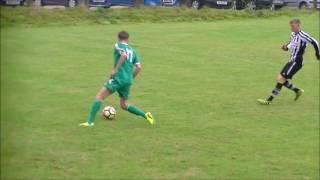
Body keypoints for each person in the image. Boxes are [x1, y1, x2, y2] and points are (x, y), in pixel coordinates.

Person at [80, 31, 154, 127]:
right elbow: (139, 67)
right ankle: (146, 115)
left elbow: (123, 55)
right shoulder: (133, 51)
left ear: (118, 38)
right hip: (128, 81)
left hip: (118, 78)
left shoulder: (117, 45)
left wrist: (115, 70)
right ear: (128, 39)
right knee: (123, 105)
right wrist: (130, 78)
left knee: (99, 97)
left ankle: (90, 122)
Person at [258, 19, 320, 105]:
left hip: (297, 62)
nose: (291, 28)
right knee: (279, 78)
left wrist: (317, 53)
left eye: (293, 26)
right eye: (290, 26)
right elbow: (292, 43)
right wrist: (286, 47)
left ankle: (269, 100)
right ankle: (297, 90)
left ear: (298, 26)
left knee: (281, 79)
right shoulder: (293, 34)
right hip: (291, 60)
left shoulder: (303, 35)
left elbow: (315, 42)